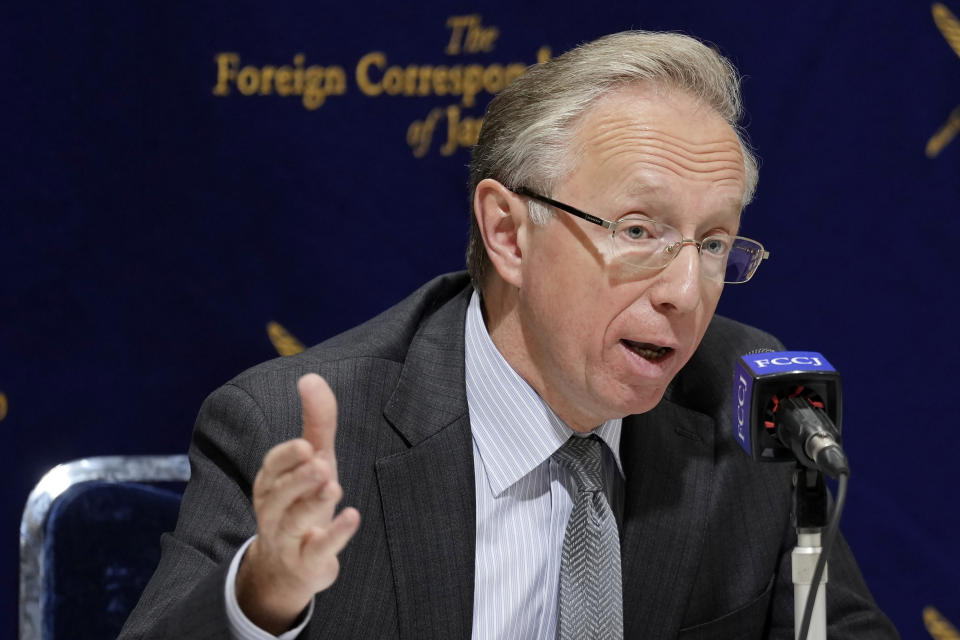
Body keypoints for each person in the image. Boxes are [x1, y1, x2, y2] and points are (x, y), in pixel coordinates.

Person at [120, 30, 899, 639]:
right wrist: (262, 598)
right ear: (509, 233)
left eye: (714, 244)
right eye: (639, 230)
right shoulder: (294, 425)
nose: (685, 291)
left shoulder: (748, 399)